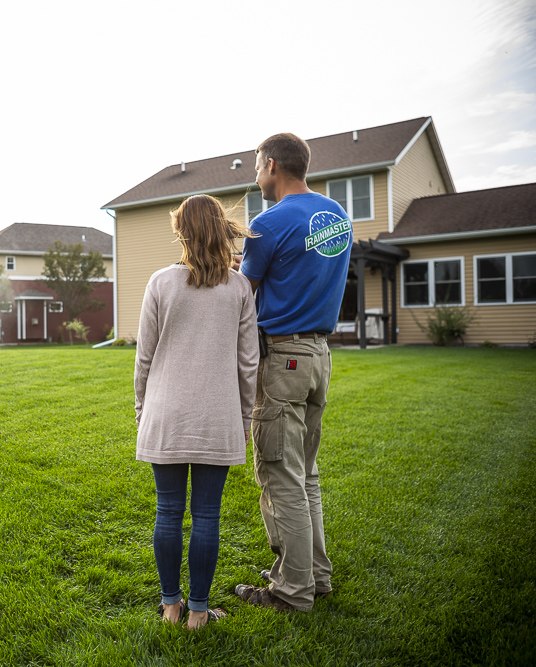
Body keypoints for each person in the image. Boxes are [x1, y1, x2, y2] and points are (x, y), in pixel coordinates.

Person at [235, 132, 353, 612]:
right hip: (320, 356)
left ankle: (291, 592)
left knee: (280, 473)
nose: (255, 176)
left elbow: (242, 293)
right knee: (306, 474)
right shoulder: (337, 216)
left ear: (271, 165)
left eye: (257, 167)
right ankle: (312, 576)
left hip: (283, 357)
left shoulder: (269, 222)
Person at [135, 194, 259, 629]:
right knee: (207, 515)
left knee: (167, 512)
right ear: (221, 230)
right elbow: (249, 364)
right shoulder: (240, 287)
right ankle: (199, 613)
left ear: (182, 231)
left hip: (164, 414)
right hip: (217, 416)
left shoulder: (159, 283)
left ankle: (171, 606)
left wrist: (141, 410)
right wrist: (244, 419)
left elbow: (144, 359)